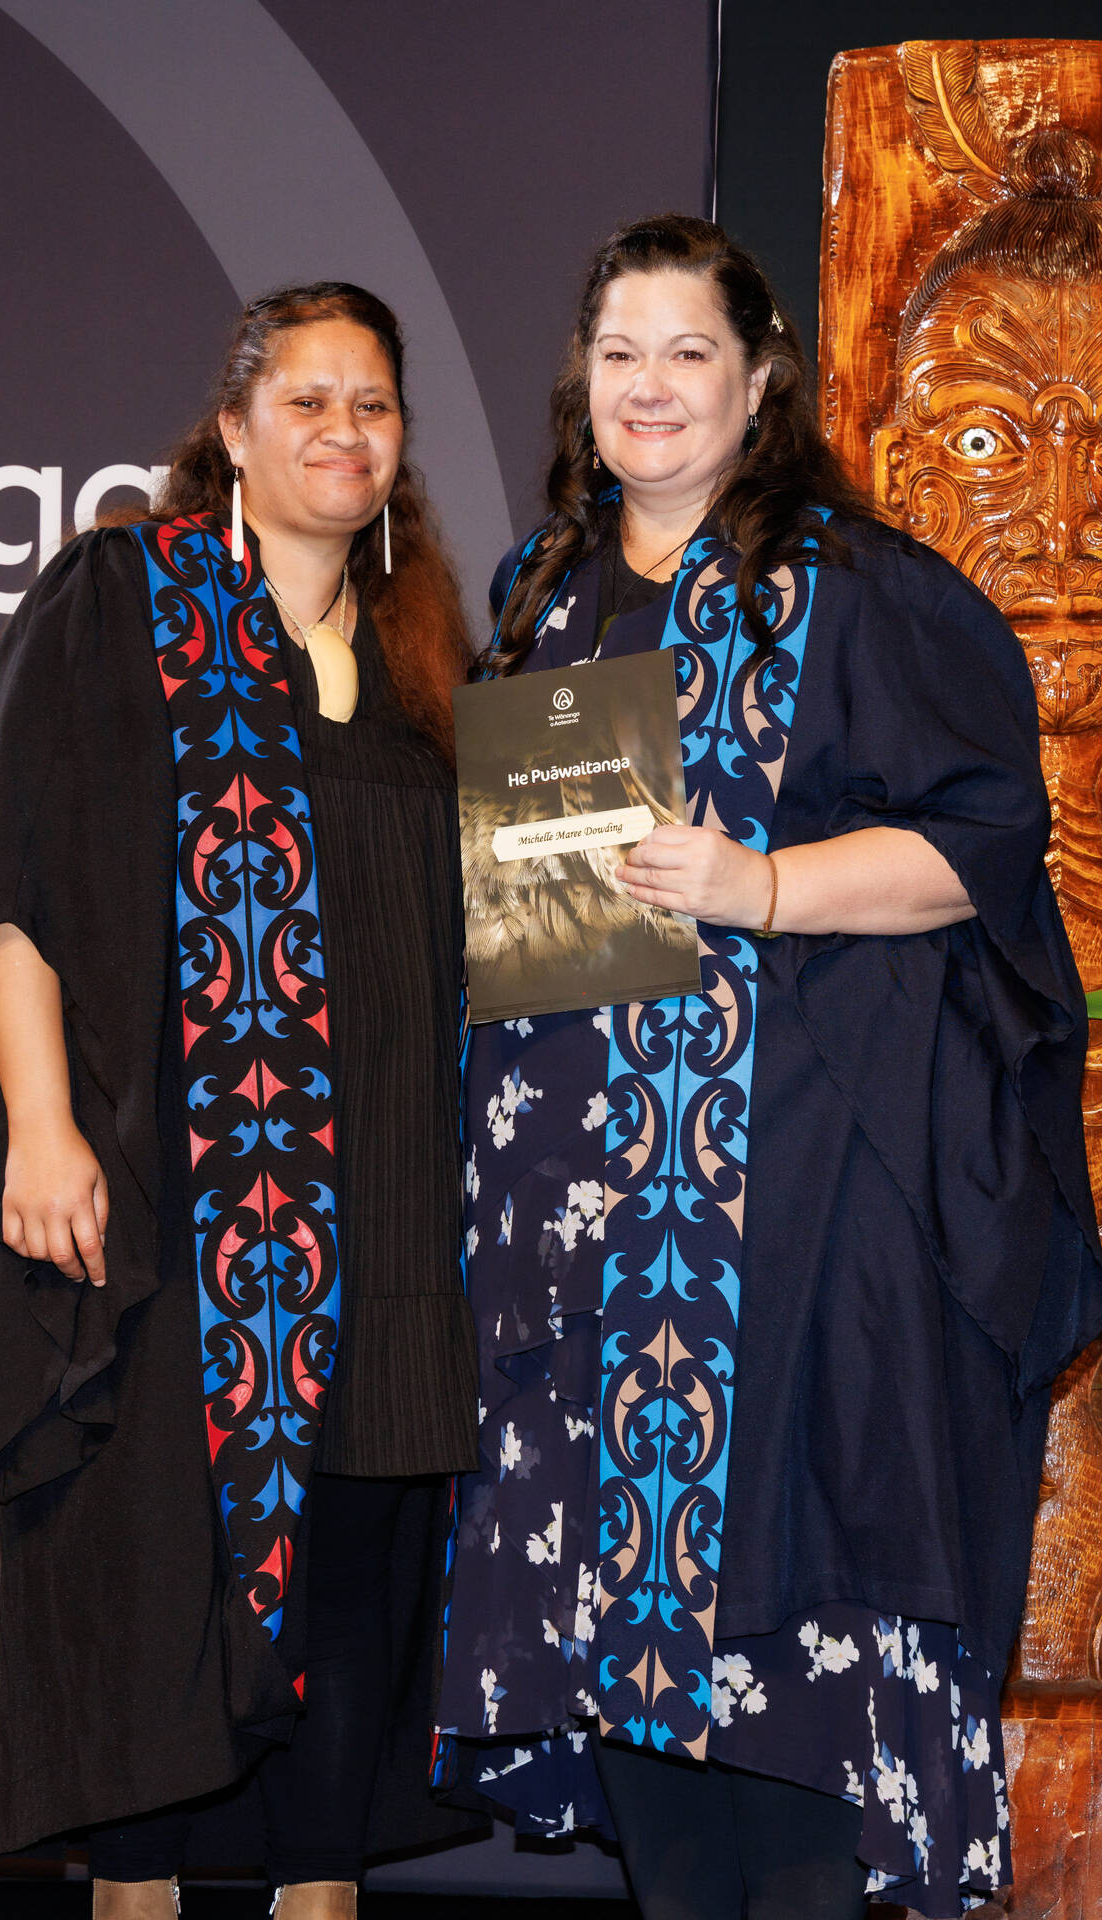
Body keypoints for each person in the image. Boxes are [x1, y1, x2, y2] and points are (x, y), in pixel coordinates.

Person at [433, 214, 1102, 1920]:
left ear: (758, 385)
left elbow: (985, 853)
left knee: (792, 1675)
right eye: (618, 354)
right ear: (579, 383)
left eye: (688, 354)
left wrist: (765, 888)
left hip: (795, 1226)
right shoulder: (537, 598)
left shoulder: (865, 592)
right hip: (579, 1235)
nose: (649, 388)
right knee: (639, 1703)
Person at [0, 283, 479, 1920]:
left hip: (393, 1214)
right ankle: (134, 1895)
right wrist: (40, 1124)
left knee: (356, 1579)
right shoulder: (126, 598)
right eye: (307, 399)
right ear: (233, 428)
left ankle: (321, 1892)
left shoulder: (430, 666)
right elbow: (10, 880)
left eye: (373, 404)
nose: (344, 431)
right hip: (183, 1198)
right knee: (151, 1573)